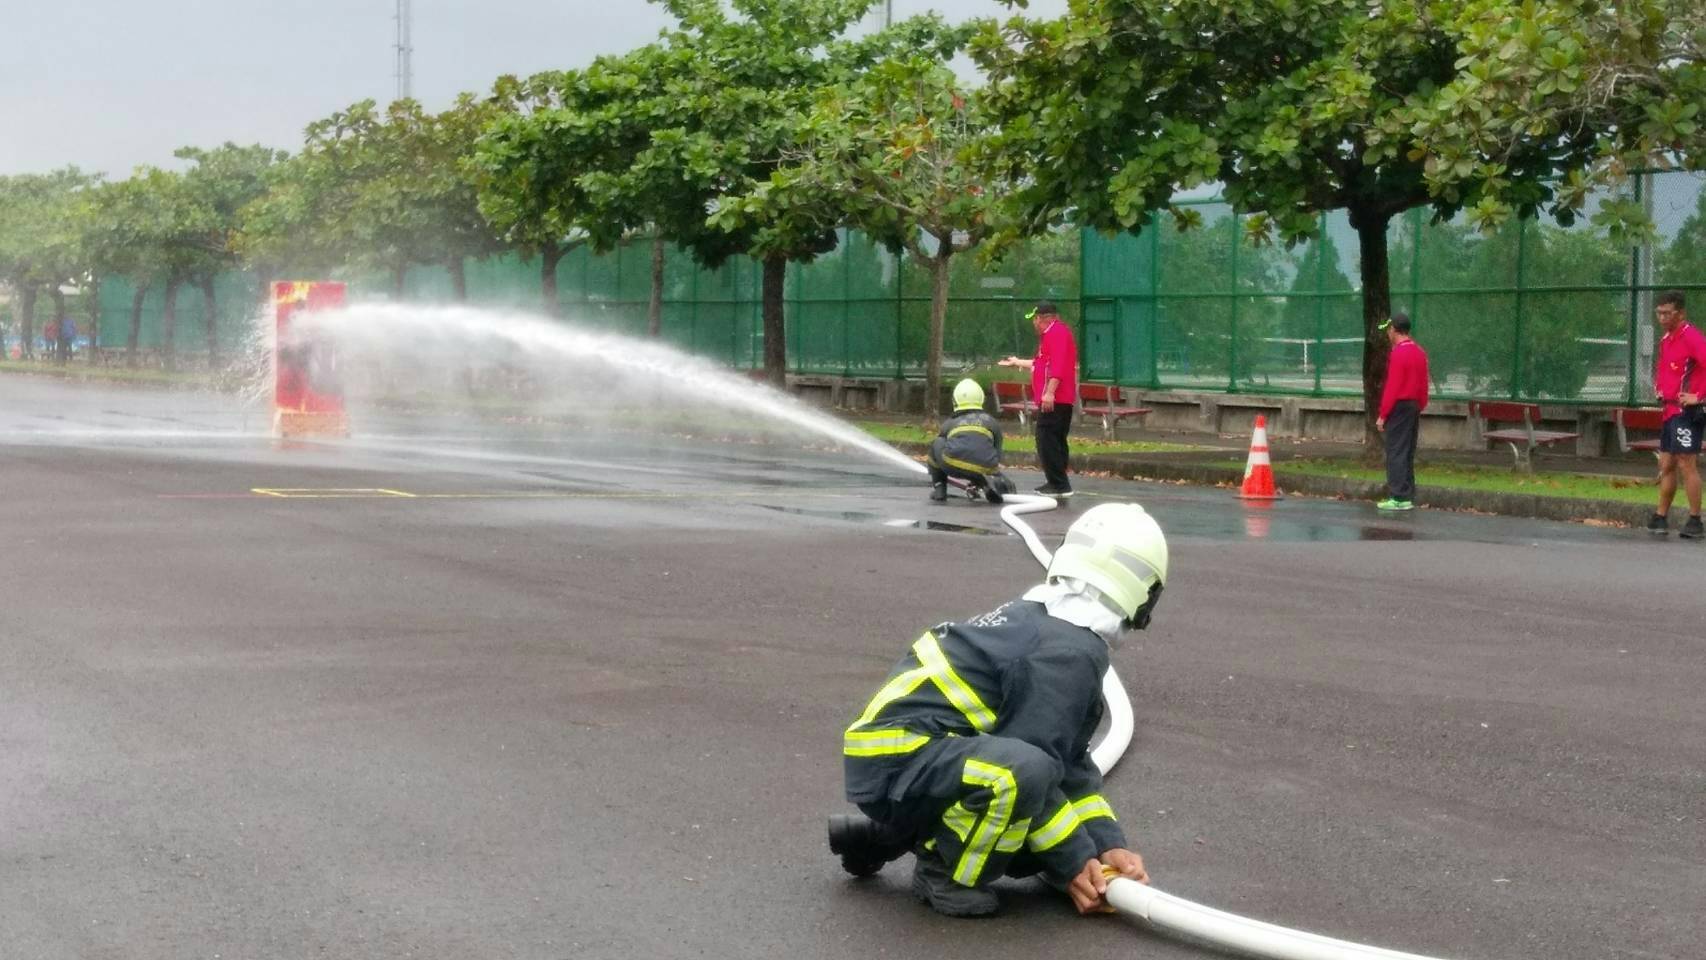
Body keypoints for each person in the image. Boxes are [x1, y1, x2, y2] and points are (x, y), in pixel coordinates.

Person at [828, 503, 1166, 917]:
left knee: (1023, 801)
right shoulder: (1069, 651)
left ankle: (885, 836)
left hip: (900, 757)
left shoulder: (1049, 621)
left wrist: (1107, 842)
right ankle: (944, 871)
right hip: (902, 758)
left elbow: (1070, 763)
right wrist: (1077, 865)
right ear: (1144, 592)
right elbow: (1034, 772)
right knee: (1020, 784)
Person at [1000, 301, 1078, 497]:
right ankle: (1058, 482)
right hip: (1057, 397)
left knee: (1046, 439)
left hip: (1055, 398)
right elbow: (1041, 364)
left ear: (1043, 318)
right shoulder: (1051, 336)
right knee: (1054, 439)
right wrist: (1017, 362)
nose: (1034, 323)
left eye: (1035, 319)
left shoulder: (1056, 333)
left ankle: (1059, 484)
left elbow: (1058, 366)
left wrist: (1050, 392)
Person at [1648, 290, 1706, 539]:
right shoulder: (1666, 339)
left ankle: (1695, 520)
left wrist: (1699, 396)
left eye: (1667, 313)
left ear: (1680, 313)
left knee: (1686, 462)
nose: (1662, 317)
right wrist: (1659, 388)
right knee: (1667, 463)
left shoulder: (1691, 336)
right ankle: (1660, 516)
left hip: (1687, 412)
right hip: (1669, 410)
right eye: (1659, 313)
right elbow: (1665, 370)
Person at [927, 379, 1015, 505]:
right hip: (987, 466)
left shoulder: (950, 422)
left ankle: (940, 489)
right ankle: (985, 482)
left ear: (955, 400)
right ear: (981, 399)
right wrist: (995, 472)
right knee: (977, 465)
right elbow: (997, 450)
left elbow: (944, 447)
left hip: (952, 464)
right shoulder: (991, 421)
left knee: (937, 443)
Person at [1375, 313, 1429, 511]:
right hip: (1413, 405)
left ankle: (1397, 496)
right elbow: (1423, 383)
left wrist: (1383, 414)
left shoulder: (1398, 353)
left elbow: (1393, 387)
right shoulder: (1419, 352)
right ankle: (1407, 493)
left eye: (1388, 329)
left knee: (1395, 450)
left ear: (1394, 329)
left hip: (1399, 406)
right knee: (1407, 450)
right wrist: (1420, 404)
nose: (1388, 333)